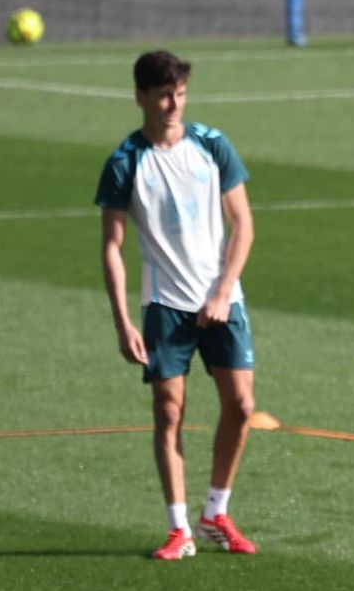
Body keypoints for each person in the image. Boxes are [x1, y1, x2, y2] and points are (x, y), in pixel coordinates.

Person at [97, 49, 258, 560]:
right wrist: (123, 322)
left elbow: (244, 226)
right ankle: (178, 528)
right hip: (165, 305)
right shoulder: (126, 162)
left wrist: (221, 292)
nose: (174, 104)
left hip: (222, 299)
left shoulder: (212, 146)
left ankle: (216, 512)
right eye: (164, 95)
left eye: (181, 94)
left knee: (242, 405)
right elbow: (112, 246)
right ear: (141, 96)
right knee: (169, 411)